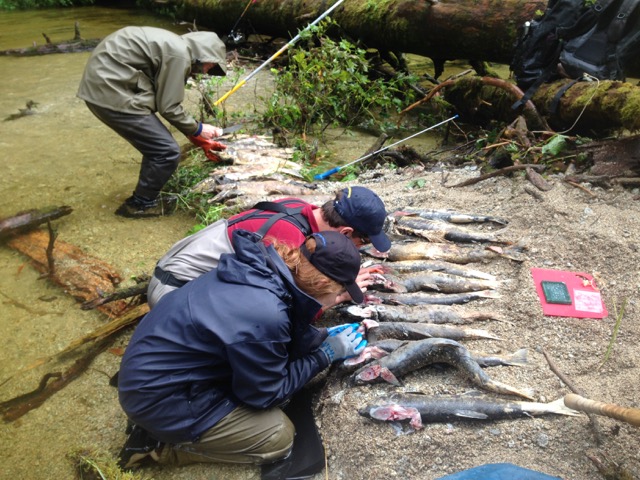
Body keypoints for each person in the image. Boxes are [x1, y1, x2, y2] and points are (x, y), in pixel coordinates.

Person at [117, 229, 367, 469]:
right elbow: (265, 395)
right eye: (341, 291)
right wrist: (324, 355)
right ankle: (160, 451)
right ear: (323, 282)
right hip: (157, 399)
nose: (338, 298)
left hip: (150, 373)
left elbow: (255, 339)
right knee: (278, 436)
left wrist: (313, 340)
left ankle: (164, 427)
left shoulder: (260, 269)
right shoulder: (267, 313)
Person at [147, 185, 392, 307]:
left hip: (174, 267)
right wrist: (340, 295)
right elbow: (292, 306)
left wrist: (341, 272)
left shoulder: (297, 207)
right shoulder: (289, 239)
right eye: (363, 242)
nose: (358, 248)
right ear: (346, 232)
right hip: (173, 290)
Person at [77, 26, 228, 218]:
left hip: (103, 89)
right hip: (111, 93)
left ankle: (144, 197)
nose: (208, 71)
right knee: (167, 151)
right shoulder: (180, 56)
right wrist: (198, 128)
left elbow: (165, 103)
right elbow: (169, 107)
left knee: (157, 146)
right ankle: (140, 205)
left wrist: (198, 138)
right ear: (204, 55)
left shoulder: (173, 45)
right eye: (211, 66)